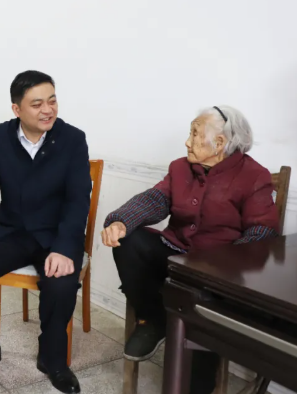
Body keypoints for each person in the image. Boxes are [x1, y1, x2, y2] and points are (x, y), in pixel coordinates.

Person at [101, 106, 279, 394]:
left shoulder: (254, 176)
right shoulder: (180, 168)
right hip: (174, 254)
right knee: (129, 241)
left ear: (219, 143)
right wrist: (121, 221)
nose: (187, 141)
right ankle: (154, 320)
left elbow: (263, 231)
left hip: (216, 270)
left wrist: (224, 264)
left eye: (195, 134)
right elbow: (155, 200)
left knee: (204, 310)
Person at [0, 71, 91, 394]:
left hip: (57, 236)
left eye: (52, 100)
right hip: (13, 232)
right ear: (16, 109)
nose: (48, 110)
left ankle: (53, 359)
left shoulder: (72, 139)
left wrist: (65, 247)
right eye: (37, 104)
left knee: (60, 283)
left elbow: (78, 199)